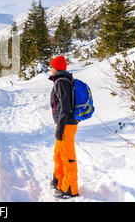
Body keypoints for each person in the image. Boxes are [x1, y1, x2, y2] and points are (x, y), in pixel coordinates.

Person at [48, 55, 79, 199]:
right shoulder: (62, 80)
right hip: (63, 123)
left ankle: (70, 189)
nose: (50, 69)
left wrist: (60, 128)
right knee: (59, 155)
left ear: (57, 68)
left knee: (68, 157)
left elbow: (65, 107)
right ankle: (58, 181)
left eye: (51, 66)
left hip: (66, 124)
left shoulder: (61, 82)